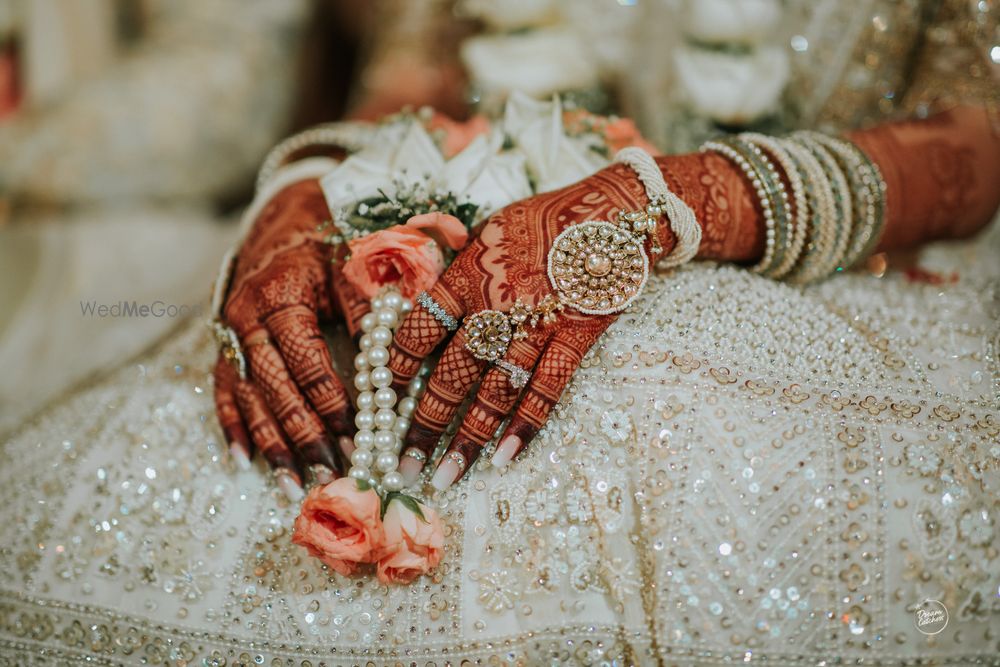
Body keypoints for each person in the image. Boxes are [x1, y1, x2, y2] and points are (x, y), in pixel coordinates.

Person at [2, 1, 998, 664]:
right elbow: (409, 88)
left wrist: (695, 196)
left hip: (829, 267)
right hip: (459, 241)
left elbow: (978, 133)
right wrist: (308, 191)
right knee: (160, 462)